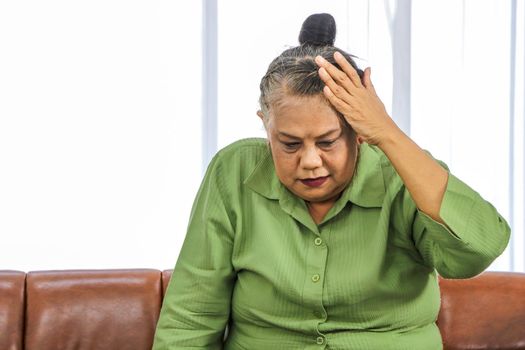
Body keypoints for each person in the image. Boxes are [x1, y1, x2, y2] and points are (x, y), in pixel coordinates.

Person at [152, 13, 511, 350]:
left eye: (327, 142)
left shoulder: (402, 176)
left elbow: (477, 251)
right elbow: (191, 317)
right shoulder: (233, 172)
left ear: (358, 131)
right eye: (289, 144)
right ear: (265, 124)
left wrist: (387, 132)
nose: (310, 162)